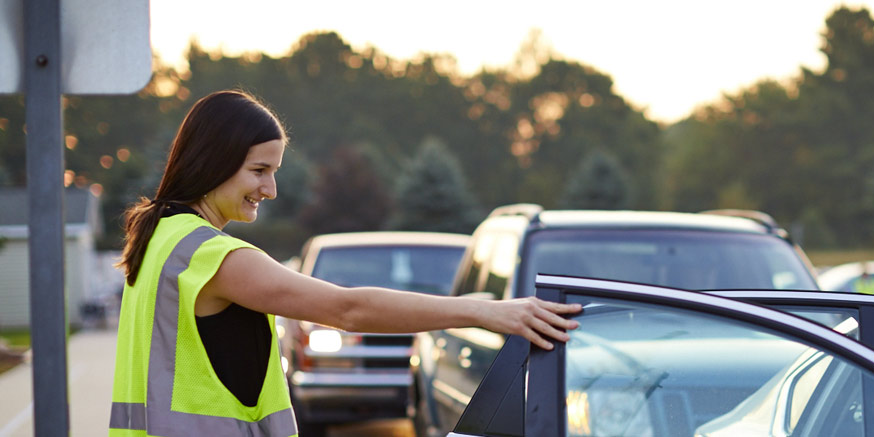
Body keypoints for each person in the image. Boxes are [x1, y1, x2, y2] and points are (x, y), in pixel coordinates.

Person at [107, 90, 582, 437]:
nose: (270, 191)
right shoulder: (212, 256)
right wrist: (484, 311)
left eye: (274, 172)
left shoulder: (160, 238)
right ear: (212, 162)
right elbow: (348, 309)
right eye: (259, 171)